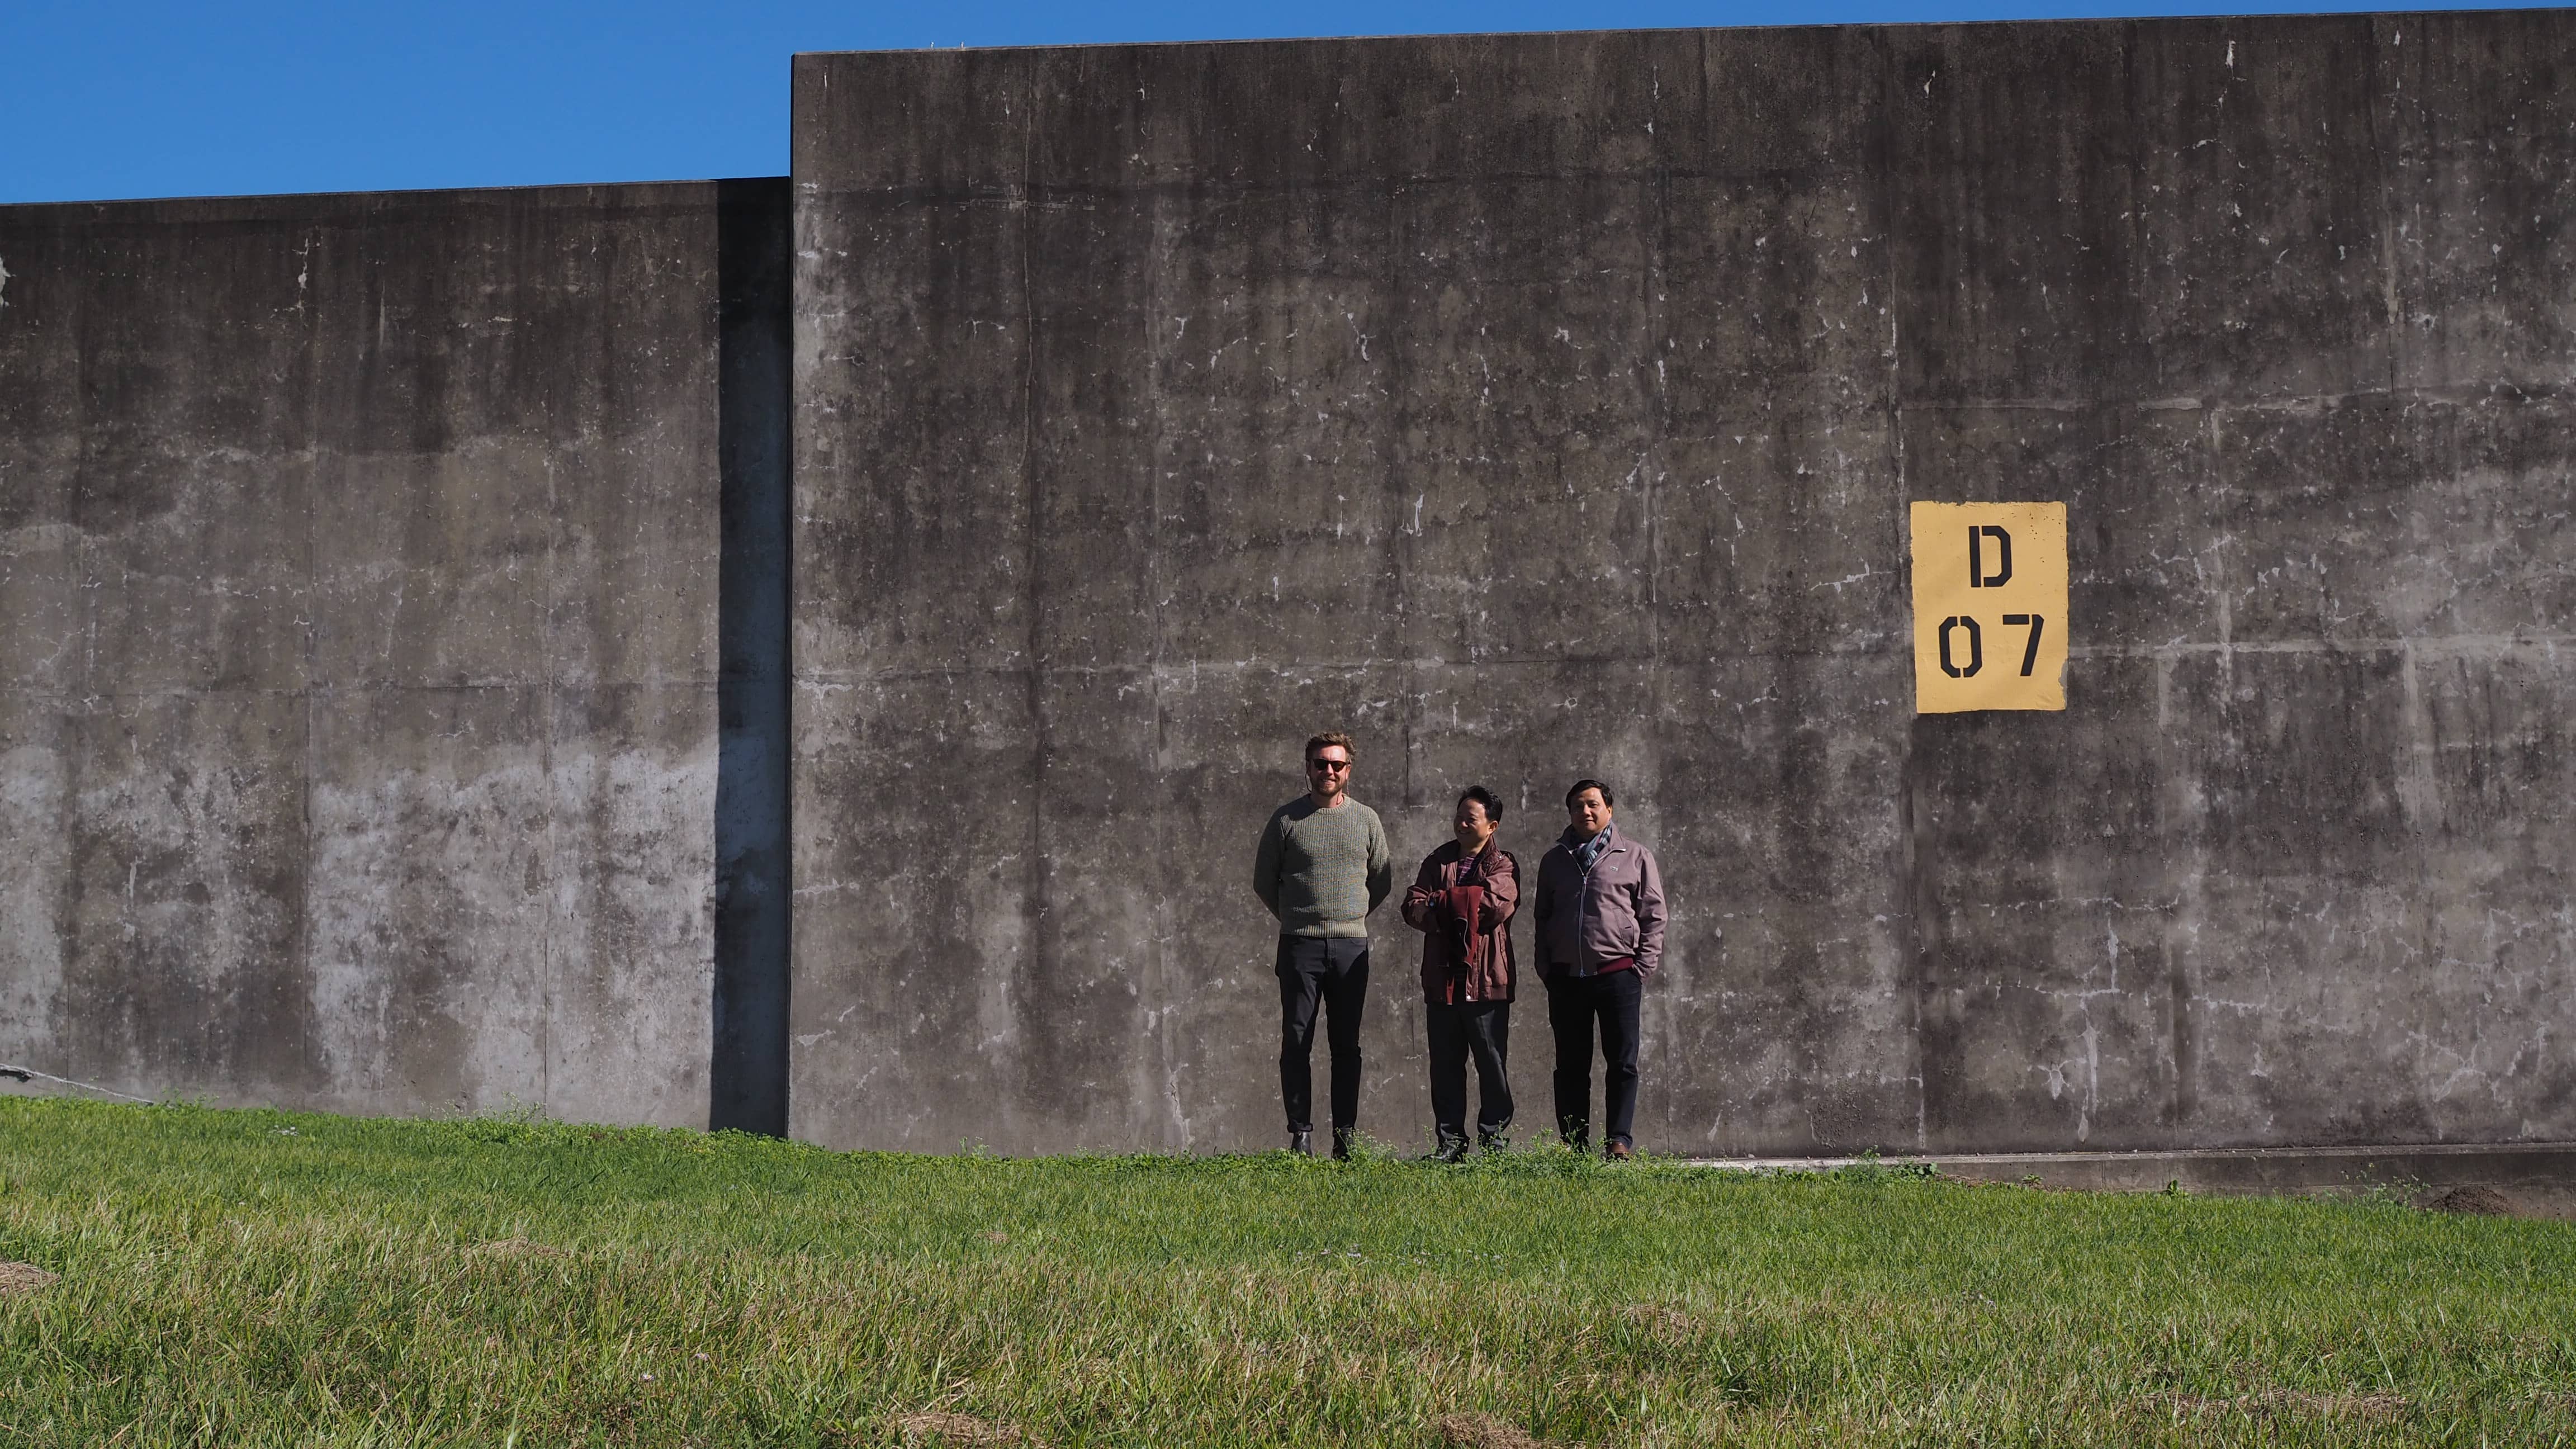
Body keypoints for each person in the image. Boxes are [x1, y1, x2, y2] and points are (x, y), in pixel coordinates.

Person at [1251, 731, 1394, 1159]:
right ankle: (1302, 1133)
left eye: (1336, 764)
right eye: (1320, 763)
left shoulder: (1366, 819)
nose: (1328, 771)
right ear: (1307, 767)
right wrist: (1298, 920)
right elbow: (1263, 881)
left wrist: (1349, 918)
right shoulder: (1286, 820)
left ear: (1348, 771)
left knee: (1346, 1044)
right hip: (1299, 947)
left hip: (1351, 946)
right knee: (1296, 1038)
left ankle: (1345, 1136)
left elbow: (1382, 879)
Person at [1532, 778, 1665, 1160]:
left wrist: (1641, 967)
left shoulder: (1635, 856)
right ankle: (1575, 1145)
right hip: (1567, 979)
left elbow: (1654, 915)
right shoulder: (1555, 859)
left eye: (1592, 804)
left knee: (1622, 1063)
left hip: (1618, 975)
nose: (1585, 812)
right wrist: (1546, 967)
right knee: (1570, 1066)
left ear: (1609, 809)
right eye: (1577, 806)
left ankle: (1619, 1141)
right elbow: (1543, 918)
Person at [1401, 785, 1519, 1162]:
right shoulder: (1438, 861)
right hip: (1443, 979)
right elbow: (1413, 905)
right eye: (1459, 816)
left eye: (1472, 818)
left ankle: (1495, 1142)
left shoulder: (1504, 865)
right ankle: (1450, 1143)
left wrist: (1442, 902)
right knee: (1446, 1066)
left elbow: (1495, 907)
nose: (1462, 823)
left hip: (1486, 982)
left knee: (1492, 1063)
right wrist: (1451, 903)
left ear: (1492, 825)